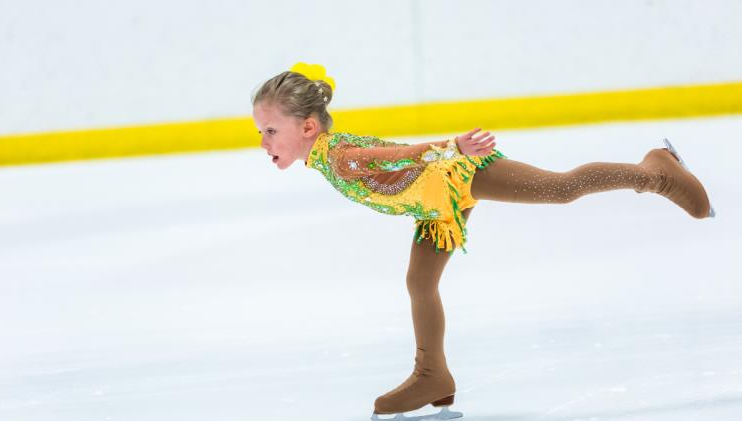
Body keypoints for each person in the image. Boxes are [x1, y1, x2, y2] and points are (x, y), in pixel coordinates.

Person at [251, 62, 714, 420]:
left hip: (458, 174)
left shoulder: (340, 159)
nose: (264, 142)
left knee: (561, 188)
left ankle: (657, 172)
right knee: (420, 283)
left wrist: (453, 147)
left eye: (270, 131)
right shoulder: (327, 158)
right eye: (260, 132)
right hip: (436, 205)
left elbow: (396, 154)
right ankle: (432, 375)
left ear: (308, 128)